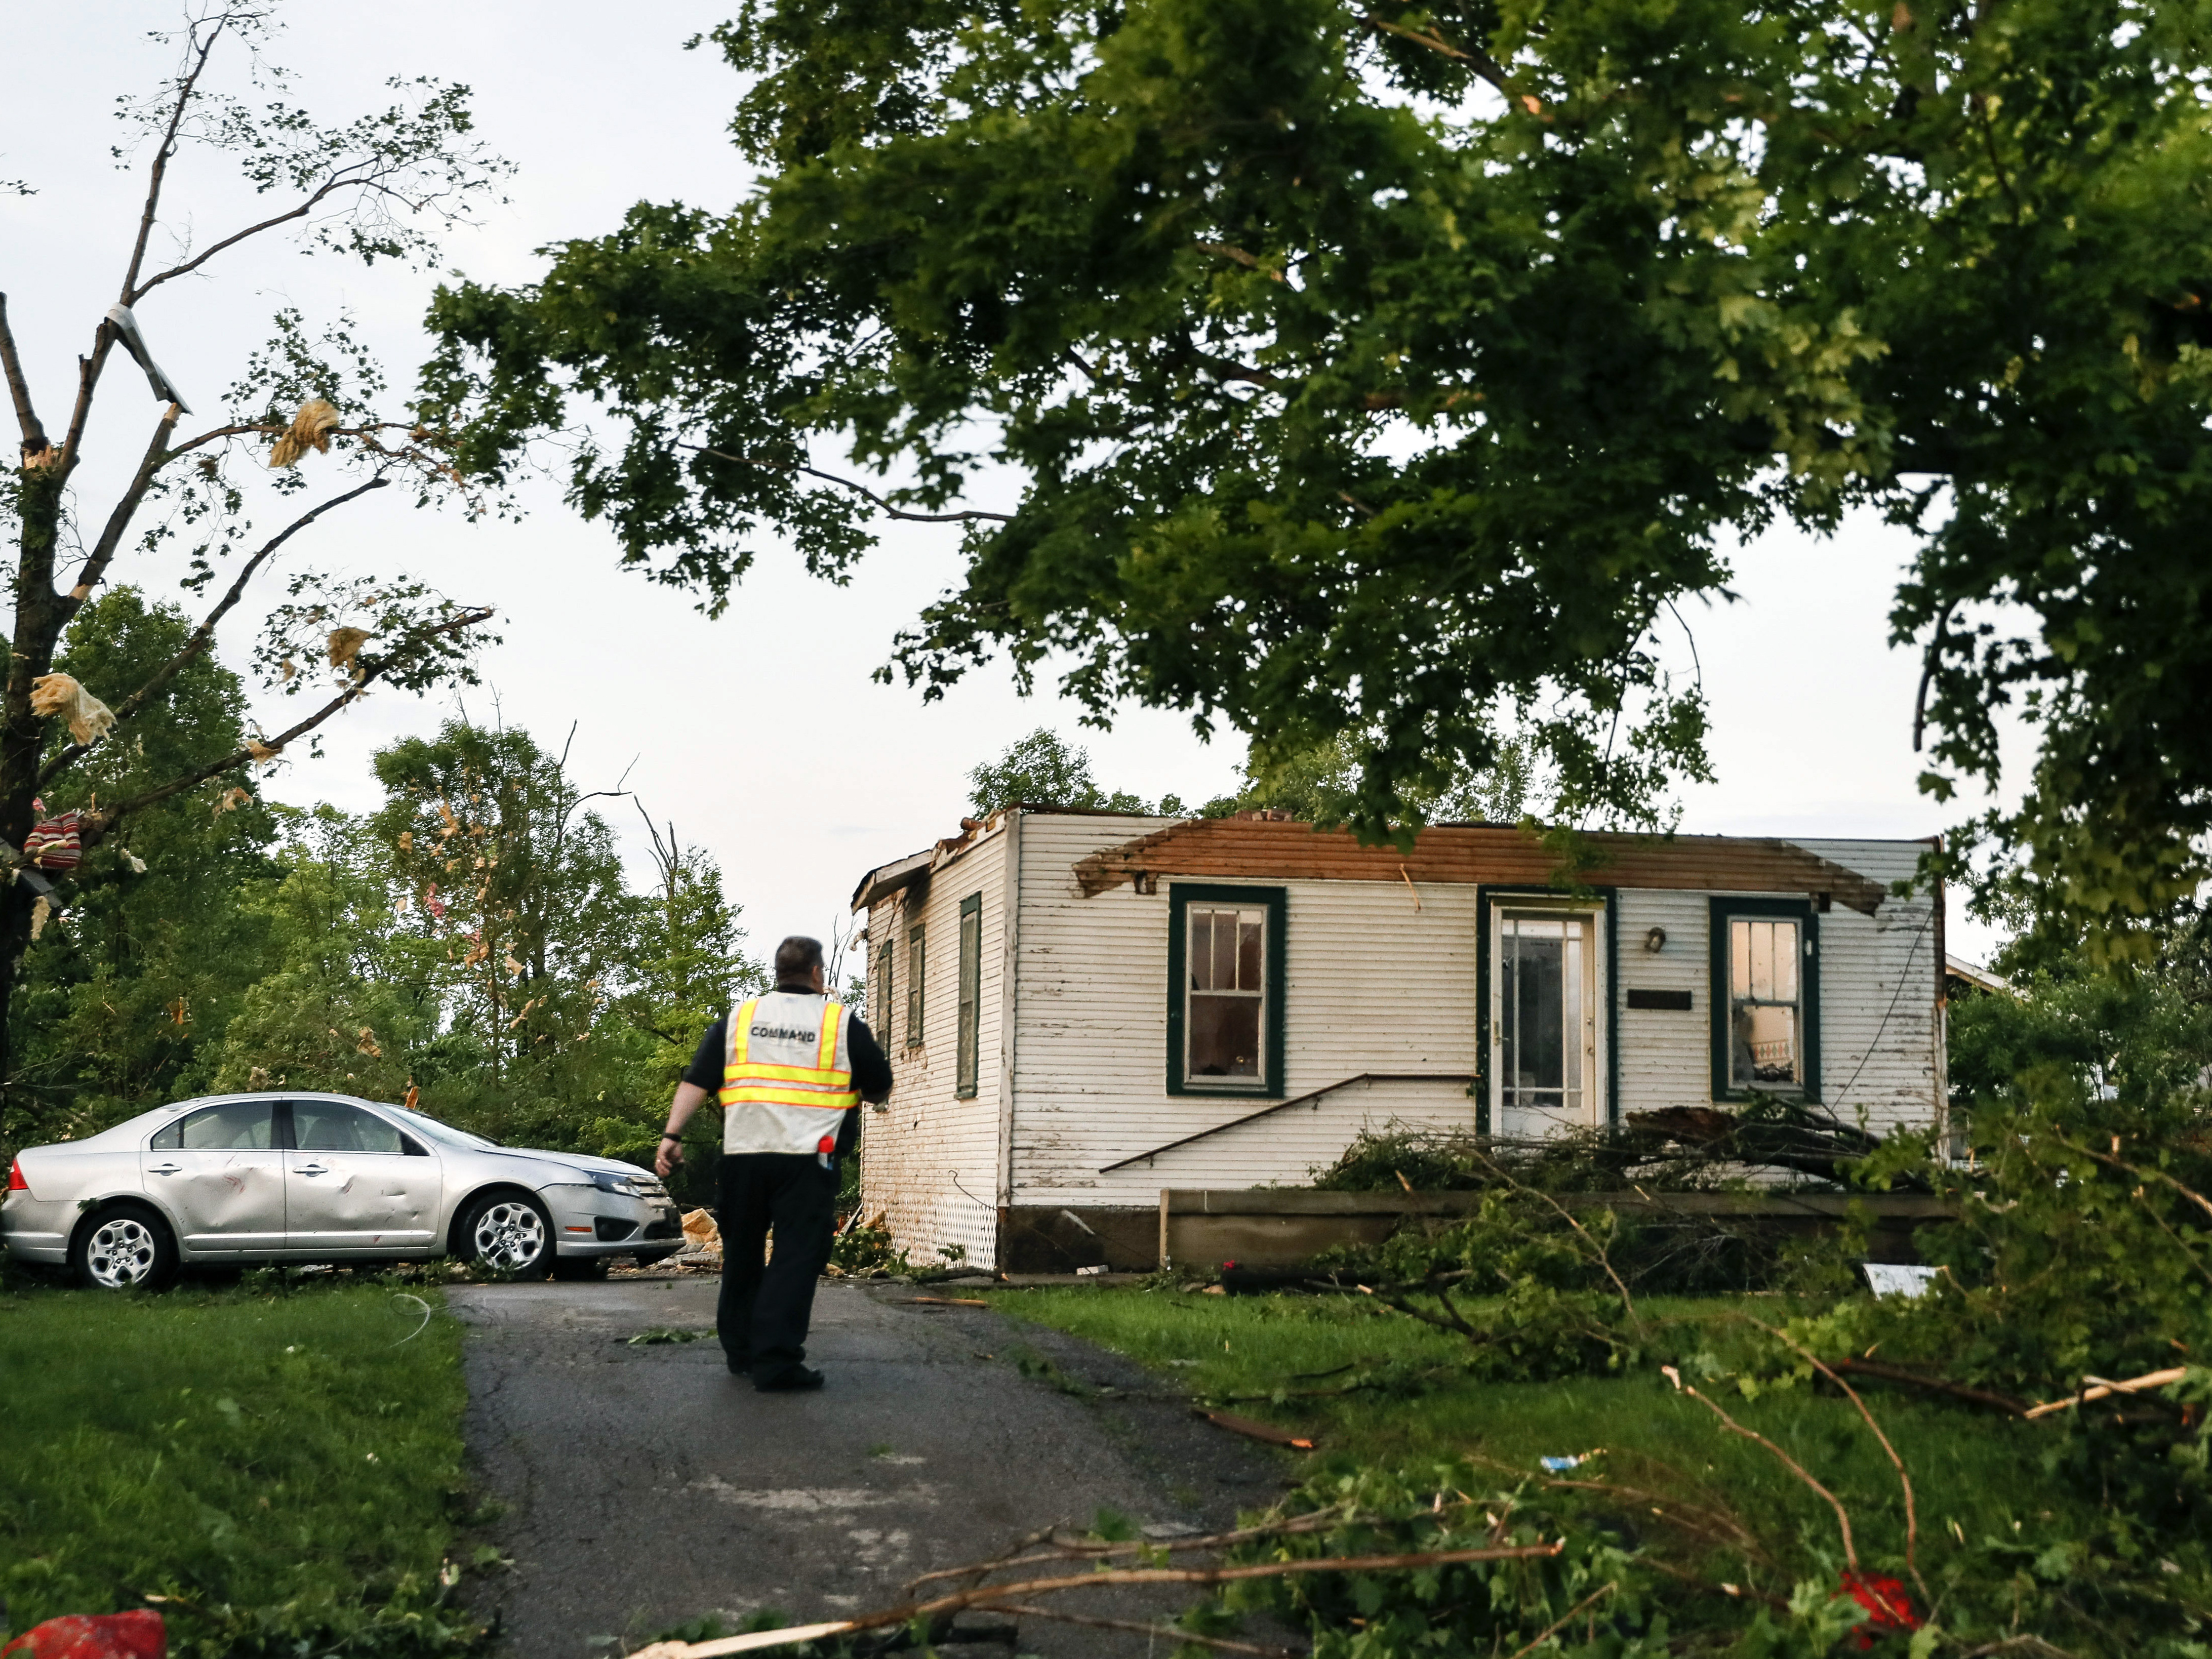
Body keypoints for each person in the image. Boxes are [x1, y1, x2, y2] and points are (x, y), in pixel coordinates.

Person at [656, 936, 892, 1390]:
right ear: (818, 975)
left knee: (742, 1254)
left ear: (778, 972)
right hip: (807, 1160)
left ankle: (742, 1351)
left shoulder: (741, 1019)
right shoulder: (840, 1023)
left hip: (744, 1157)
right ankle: (777, 1360)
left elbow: (697, 1081)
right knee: (796, 1256)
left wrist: (672, 1135)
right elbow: (880, 1087)